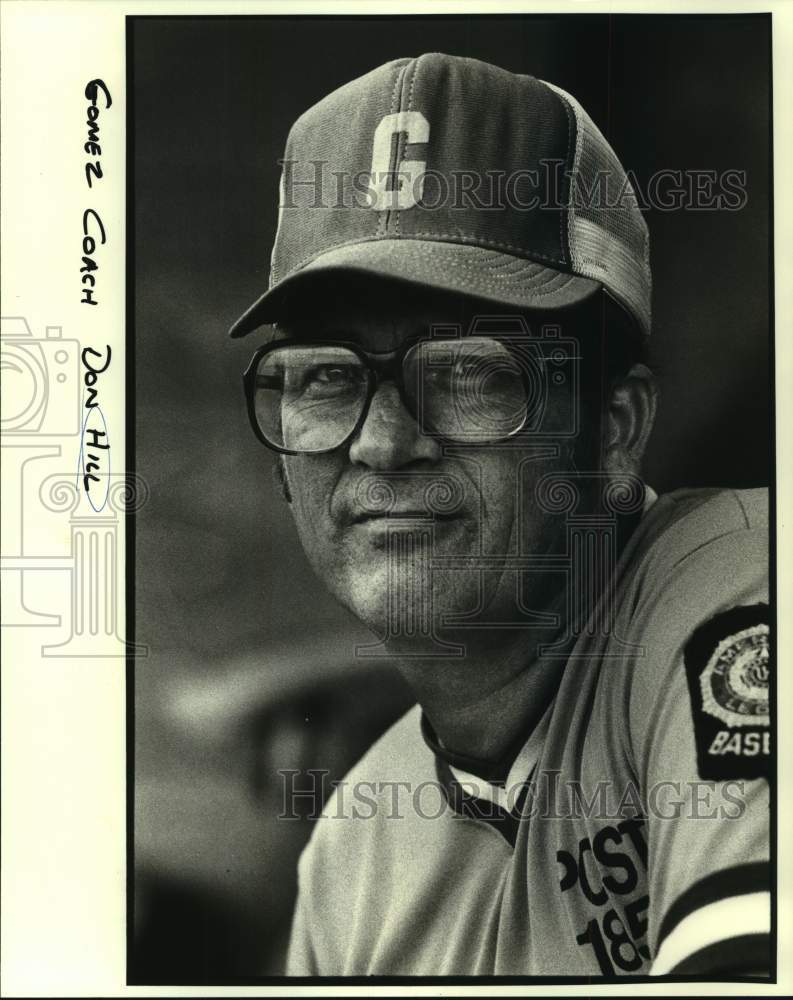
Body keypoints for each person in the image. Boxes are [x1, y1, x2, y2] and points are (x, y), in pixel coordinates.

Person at [230, 54, 770, 976]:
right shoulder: (353, 854)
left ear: (610, 429)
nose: (380, 444)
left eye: (468, 371)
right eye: (326, 376)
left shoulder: (739, 592)